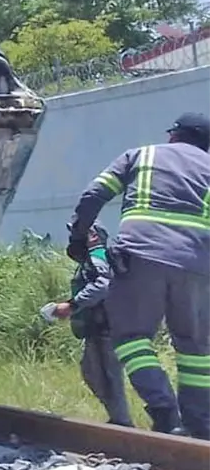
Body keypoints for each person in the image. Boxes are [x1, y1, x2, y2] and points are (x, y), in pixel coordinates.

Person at [67, 112, 210, 438]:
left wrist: (78, 238)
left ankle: (165, 413)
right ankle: (200, 427)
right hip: (198, 266)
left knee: (131, 338)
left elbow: (94, 195)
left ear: (174, 136)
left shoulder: (141, 155)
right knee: (196, 351)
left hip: (140, 258)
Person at [42, 222, 133, 427]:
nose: (74, 238)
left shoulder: (97, 256)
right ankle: (118, 419)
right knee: (93, 373)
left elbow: (102, 285)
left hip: (107, 328)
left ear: (92, 235)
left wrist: (71, 305)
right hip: (98, 328)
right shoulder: (92, 259)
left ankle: (123, 423)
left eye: (78, 233)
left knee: (110, 378)